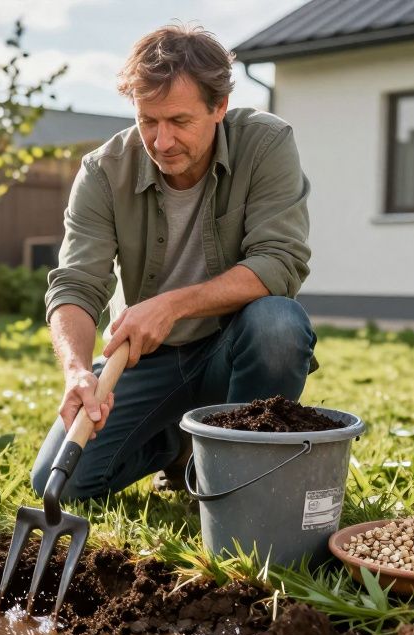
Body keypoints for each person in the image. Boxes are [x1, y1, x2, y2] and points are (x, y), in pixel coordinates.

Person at [31, 24, 316, 501]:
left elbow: (279, 261)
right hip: (148, 359)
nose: (161, 142)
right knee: (61, 483)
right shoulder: (103, 173)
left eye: (179, 121)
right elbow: (76, 285)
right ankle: (175, 443)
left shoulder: (266, 144)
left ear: (219, 107)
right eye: (148, 121)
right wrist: (79, 370)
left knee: (278, 326)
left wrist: (171, 305)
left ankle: (237, 481)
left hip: (233, 348)